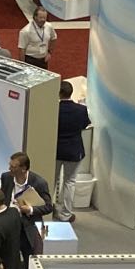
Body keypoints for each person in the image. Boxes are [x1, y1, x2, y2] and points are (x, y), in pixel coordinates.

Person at [53, 82, 89, 217]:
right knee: (69, 182)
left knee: (51, 181)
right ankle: (66, 214)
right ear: (71, 93)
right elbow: (84, 125)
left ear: (59, 93)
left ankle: (47, 210)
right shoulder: (81, 110)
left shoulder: (54, 109)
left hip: (56, 151)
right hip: (74, 151)